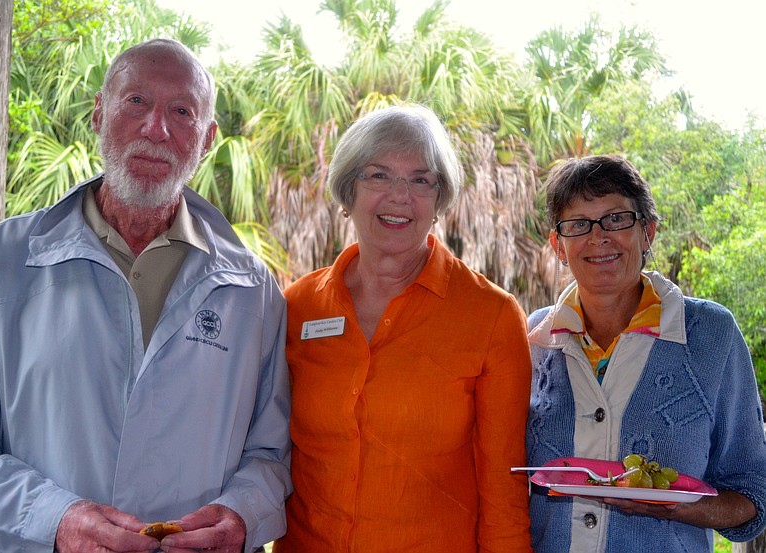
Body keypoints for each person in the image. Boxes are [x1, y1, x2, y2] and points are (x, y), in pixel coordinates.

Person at [0, 38, 291, 553]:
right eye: (136, 101)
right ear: (98, 113)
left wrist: (243, 514)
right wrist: (52, 521)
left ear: (206, 140)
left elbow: (271, 453)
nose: (156, 129)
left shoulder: (254, 290)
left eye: (182, 112)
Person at [271, 104, 533, 553]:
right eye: (378, 175)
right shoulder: (296, 306)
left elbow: (503, 493)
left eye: (420, 180)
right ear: (348, 190)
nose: (400, 196)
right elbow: (266, 452)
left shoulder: (492, 316)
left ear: (439, 200)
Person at [525, 154, 766, 552]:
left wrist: (680, 508)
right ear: (558, 245)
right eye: (578, 224)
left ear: (648, 232)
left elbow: (753, 494)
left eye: (616, 219)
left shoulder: (709, 335)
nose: (598, 236)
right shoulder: (535, 338)